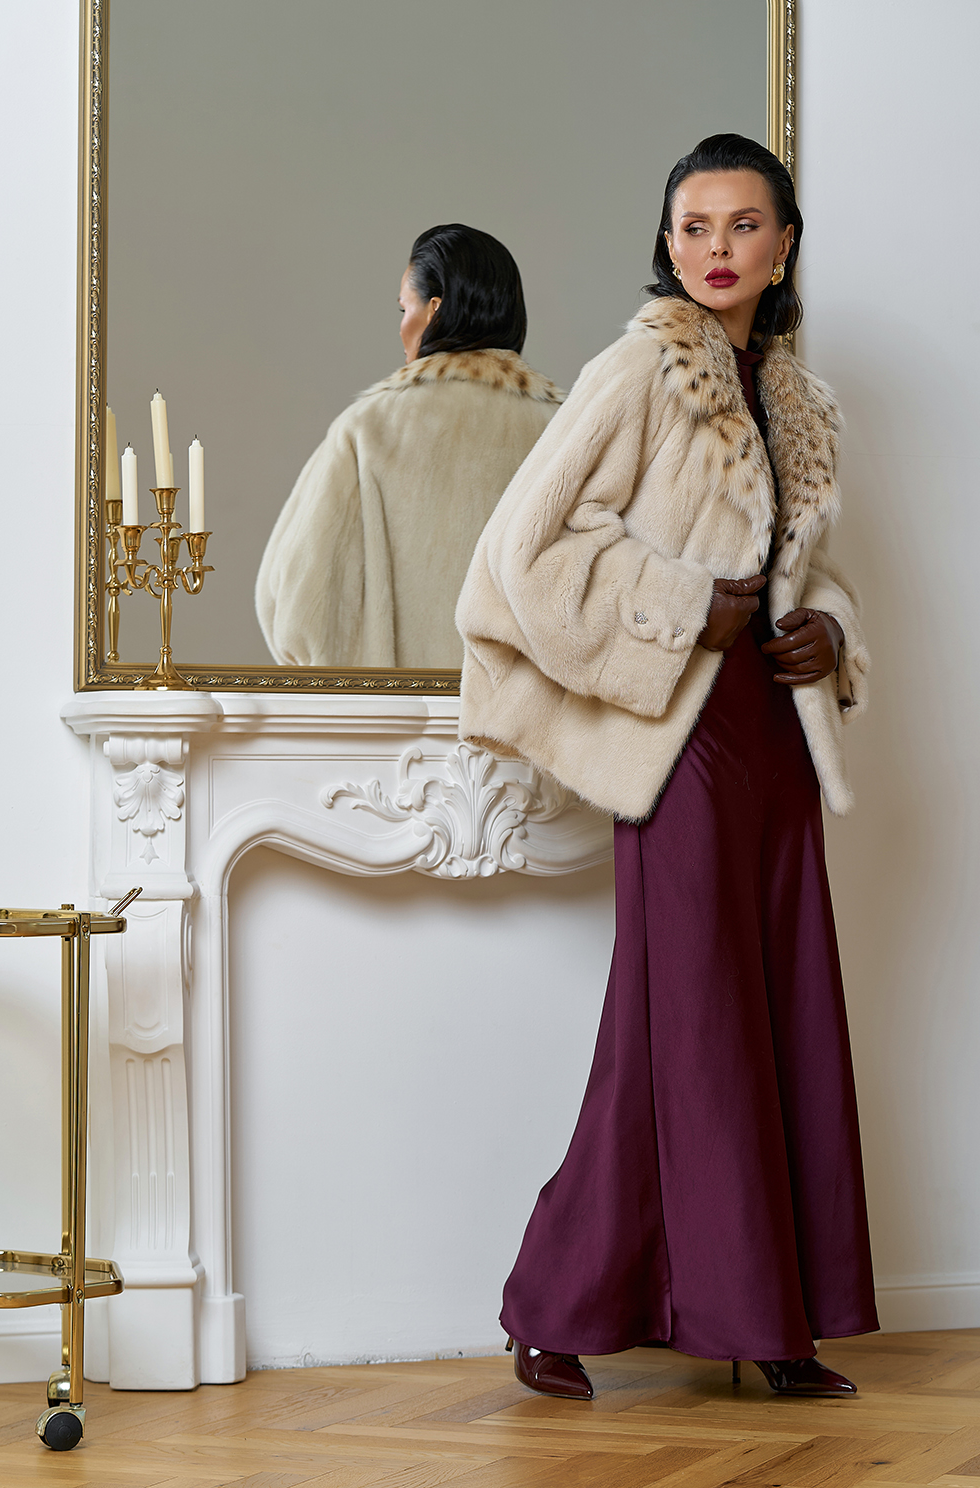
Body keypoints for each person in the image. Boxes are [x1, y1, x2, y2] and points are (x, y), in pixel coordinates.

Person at [457, 134, 877, 1399]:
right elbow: (522, 548)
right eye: (692, 226)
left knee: (781, 1011)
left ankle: (768, 1318)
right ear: (666, 241)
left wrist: (829, 633)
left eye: (741, 225)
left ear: (781, 247)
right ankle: (559, 1303)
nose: (714, 248)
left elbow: (808, 573)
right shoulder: (637, 368)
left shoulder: (796, 398)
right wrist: (682, 607)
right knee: (683, 1025)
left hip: (775, 739)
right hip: (681, 738)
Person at [256, 224, 562, 669]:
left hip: (394, 711)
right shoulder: (563, 430)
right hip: (522, 709)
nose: (401, 326)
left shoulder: (369, 429)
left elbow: (294, 602)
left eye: (404, 308)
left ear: (434, 309)